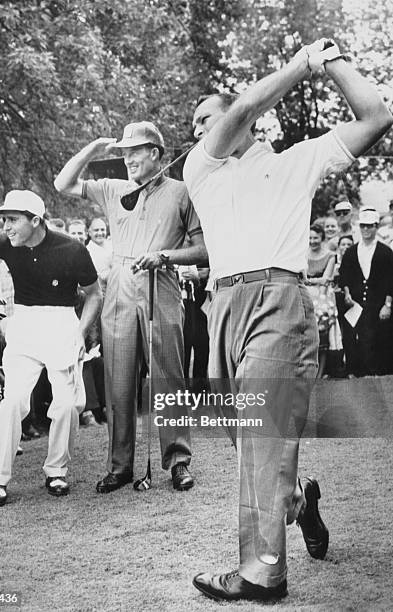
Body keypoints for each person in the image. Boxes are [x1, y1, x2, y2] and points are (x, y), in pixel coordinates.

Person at [182, 38, 392, 602]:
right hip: (222, 308)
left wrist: (328, 60)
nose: (200, 128)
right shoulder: (201, 166)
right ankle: (298, 499)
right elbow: (246, 109)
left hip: (280, 303)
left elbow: (376, 118)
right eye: (196, 123)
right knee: (245, 440)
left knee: (263, 435)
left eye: (207, 117)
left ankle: (261, 574)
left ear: (242, 119)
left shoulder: (298, 160)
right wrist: (300, 65)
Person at [54, 121, 207, 492]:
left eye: (134, 151)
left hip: (162, 282)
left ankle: (178, 461)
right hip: (120, 284)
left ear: (156, 153)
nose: (127, 158)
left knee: (168, 376)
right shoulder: (112, 189)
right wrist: (94, 148)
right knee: (118, 380)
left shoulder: (183, 192)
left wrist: (166, 256)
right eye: (123, 152)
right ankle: (120, 466)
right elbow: (63, 184)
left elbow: (204, 250)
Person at [0, 189, 102, 507]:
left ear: (35, 221)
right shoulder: (7, 243)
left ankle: (57, 471)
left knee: (66, 405)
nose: (6, 226)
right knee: (10, 404)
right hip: (25, 325)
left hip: (62, 324)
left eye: (12, 220)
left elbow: (94, 294)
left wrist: (79, 333)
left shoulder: (72, 248)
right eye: (3, 219)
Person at [339, 208, 393, 376]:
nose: (366, 230)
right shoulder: (351, 251)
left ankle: (380, 377)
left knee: (380, 340)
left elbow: (391, 279)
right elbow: (344, 276)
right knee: (358, 341)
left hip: (378, 304)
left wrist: (388, 305)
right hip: (356, 304)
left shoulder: (385, 252)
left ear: (376, 227)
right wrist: (347, 294)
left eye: (370, 226)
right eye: (363, 226)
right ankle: (359, 376)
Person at [307, 224, 337, 377]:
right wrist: (312, 282)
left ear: (322, 238)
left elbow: (326, 280)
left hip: (322, 296)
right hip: (305, 294)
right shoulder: (302, 254)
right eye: (310, 238)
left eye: (316, 238)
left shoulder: (330, 255)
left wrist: (310, 281)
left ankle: (321, 372)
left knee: (322, 333)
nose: (312, 241)